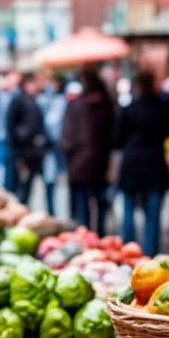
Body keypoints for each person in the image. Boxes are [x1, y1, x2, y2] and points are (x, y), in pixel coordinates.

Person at [116, 71, 169, 257]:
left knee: (128, 209)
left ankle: (129, 252)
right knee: (153, 213)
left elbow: (117, 137)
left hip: (132, 162)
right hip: (154, 163)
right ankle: (149, 255)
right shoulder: (163, 107)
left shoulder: (129, 109)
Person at [61, 70, 116, 234]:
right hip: (100, 166)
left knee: (82, 211)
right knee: (99, 208)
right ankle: (98, 236)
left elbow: (66, 138)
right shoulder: (107, 106)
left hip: (81, 166)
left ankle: (86, 236)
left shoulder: (76, 106)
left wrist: (70, 160)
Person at [7, 72, 48, 206]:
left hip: (33, 151)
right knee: (22, 184)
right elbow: (11, 126)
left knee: (29, 184)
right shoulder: (19, 100)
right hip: (24, 151)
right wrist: (17, 149)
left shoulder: (34, 100)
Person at [40, 77, 68, 217]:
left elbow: (52, 122)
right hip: (51, 146)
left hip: (58, 146)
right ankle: (51, 211)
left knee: (55, 180)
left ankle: (55, 212)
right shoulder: (46, 100)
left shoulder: (61, 102)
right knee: (50, 180)